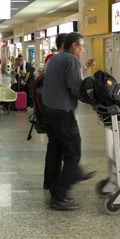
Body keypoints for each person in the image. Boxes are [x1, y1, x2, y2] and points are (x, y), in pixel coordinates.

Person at [42, 33, 95, 211]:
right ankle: (60, 195)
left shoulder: (54, 59)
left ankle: (52, 184)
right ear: (73, 46)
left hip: (49, 112)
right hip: (63, 114)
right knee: (73, 153)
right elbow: (75, 87)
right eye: (81, 46)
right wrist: (92, 99)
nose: (82, 50)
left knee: (56, 150)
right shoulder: (71, 60)